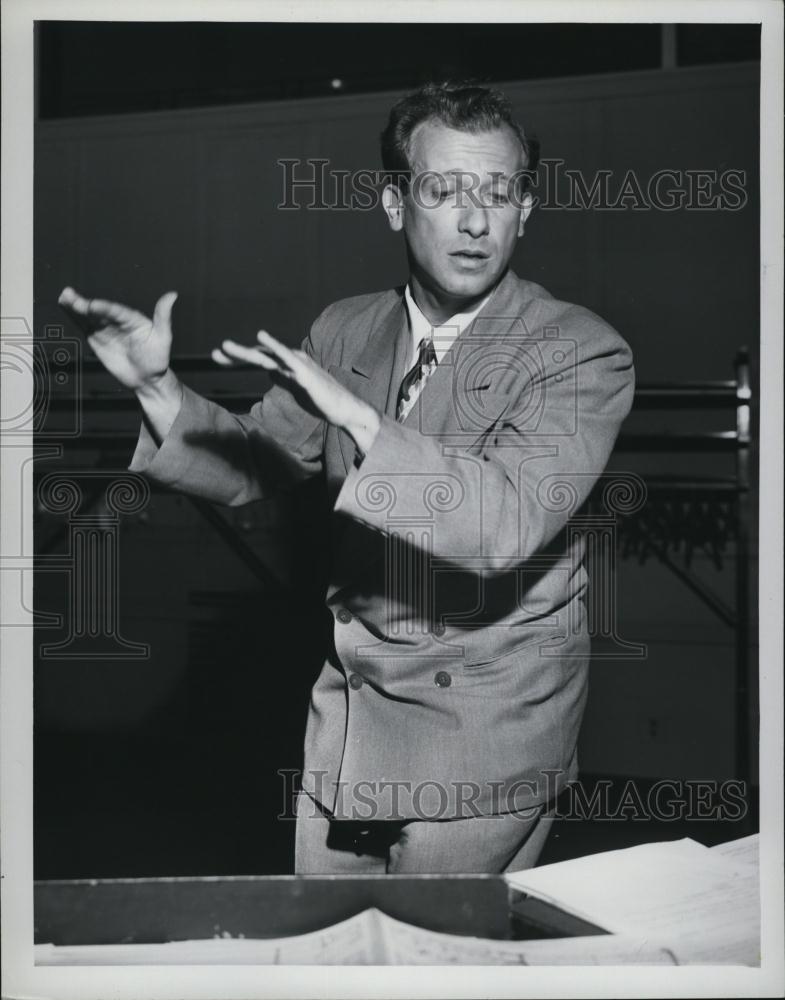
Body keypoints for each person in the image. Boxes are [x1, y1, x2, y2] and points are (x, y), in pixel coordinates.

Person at [58, 81, 635, 875]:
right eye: (444, 191)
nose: (475, 220)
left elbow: (504, 524)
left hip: (483, 742)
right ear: (395, 204)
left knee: (437, 950)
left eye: (499, 193)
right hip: (348, 729)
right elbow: (255, 462)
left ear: (525, 210)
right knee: (327, 943)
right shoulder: (345, 328)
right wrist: (158, 389)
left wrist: (362, 422)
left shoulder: (577, 349)